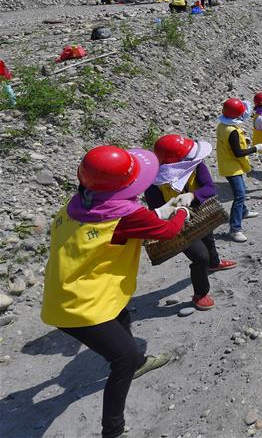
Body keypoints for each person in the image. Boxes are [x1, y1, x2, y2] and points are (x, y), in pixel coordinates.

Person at [41, 145, 189, 438]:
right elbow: (168, 231)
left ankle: (139, 362)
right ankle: (113, 430)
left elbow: (131, 222)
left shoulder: (79, 203)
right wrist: (181, 210)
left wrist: (160, 211)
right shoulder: (125, 215)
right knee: (124, 359)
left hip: (74, 290)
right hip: (79, 306)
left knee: (121, 314)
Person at [145, 134, 237, 311]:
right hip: (177, 222)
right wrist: (174, 210)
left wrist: (193, 195)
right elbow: (157, 210)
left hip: (201, 212)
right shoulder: (154, 183)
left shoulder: (196, 166)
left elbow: (209, 188)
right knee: (199, 256)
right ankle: (200, 293)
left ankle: (214, 263)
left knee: (208, 238)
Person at [216, 98, 262, 242]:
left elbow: (230, 144)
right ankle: (235, 229)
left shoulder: (222, 126)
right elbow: (238, 153)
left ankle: (244, 211)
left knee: (240, 190)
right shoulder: (233, 131)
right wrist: (255, 148)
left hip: (227, 163)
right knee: (239, 196)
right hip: (233, 166)